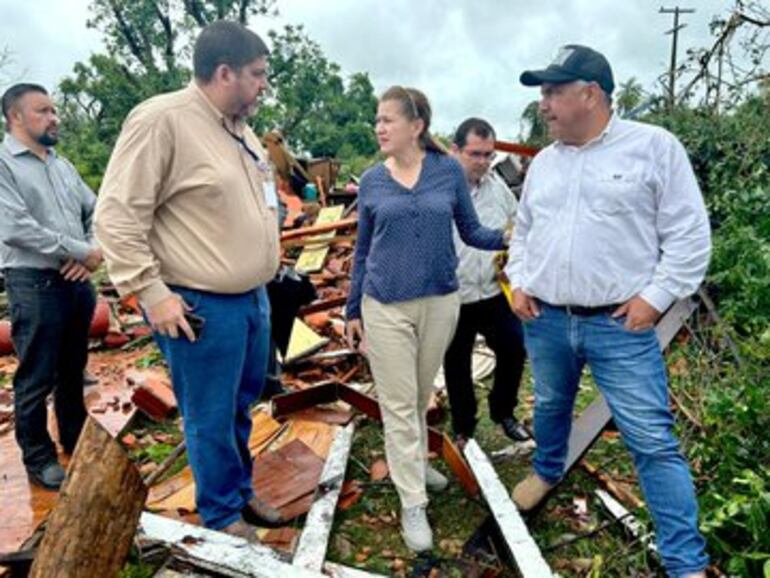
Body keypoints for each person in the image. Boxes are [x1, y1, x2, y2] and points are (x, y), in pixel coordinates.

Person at [506, 45, 710, 578]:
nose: (543, 104)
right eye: (542, 94)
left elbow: (689, 235)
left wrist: (656, 298)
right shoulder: (545, 163)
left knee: (650, 439)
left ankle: (685, 563)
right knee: (550, 404)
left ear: (590, 93)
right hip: (547, 319)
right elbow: (525, 230)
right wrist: (519, 279)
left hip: (619, 326)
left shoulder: (653, 149)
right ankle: (548, 470)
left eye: (552, 92)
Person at [95, 21, 281, 539]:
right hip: (201, 304)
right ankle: (221, 514)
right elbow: (116, 217)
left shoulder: (238, 129)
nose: (264, 85)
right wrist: (152, 293)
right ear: (225, 73)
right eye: (258, 75)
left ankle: (240, 491)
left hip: (252, 299)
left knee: (242, 405)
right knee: (209, 414)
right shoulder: (164, 120)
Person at [345, 87, 507, 552]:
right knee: (397, 405)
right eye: (376, 120)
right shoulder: (374, 180)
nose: (378, 128)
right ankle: (412, 503)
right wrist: (352, 309)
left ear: (416, 126)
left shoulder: (446, 173)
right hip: (385, 306)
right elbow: (361, 250)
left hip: (440, 303)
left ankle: (414, 463)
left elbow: (472, 231)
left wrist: (514, 237)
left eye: (387, 120)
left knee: (417, 396)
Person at [0, 83, 101, 489]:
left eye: (54, 110)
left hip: (76, 283)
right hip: (34, 282)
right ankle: (39, 458)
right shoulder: (5, 165)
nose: (54, 117)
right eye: (42, 111)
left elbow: (95, 210)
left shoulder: (62, 165)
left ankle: (75, 439)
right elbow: (15, 227)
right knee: (36, 376)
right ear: (16, 117)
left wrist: (91, 249)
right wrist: (78, 250)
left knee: (74, 369)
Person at [443, 118, 529, 446]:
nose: (482, 162)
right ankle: (464, 424)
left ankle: (503, 412)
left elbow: (518, 226)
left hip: (493, 290)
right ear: (455, 151)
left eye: (488, 155)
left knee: (514, 347)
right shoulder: (439, 190)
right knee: (457, 363)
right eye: (475, 154)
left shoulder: (497, 187)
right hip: (455, 293)